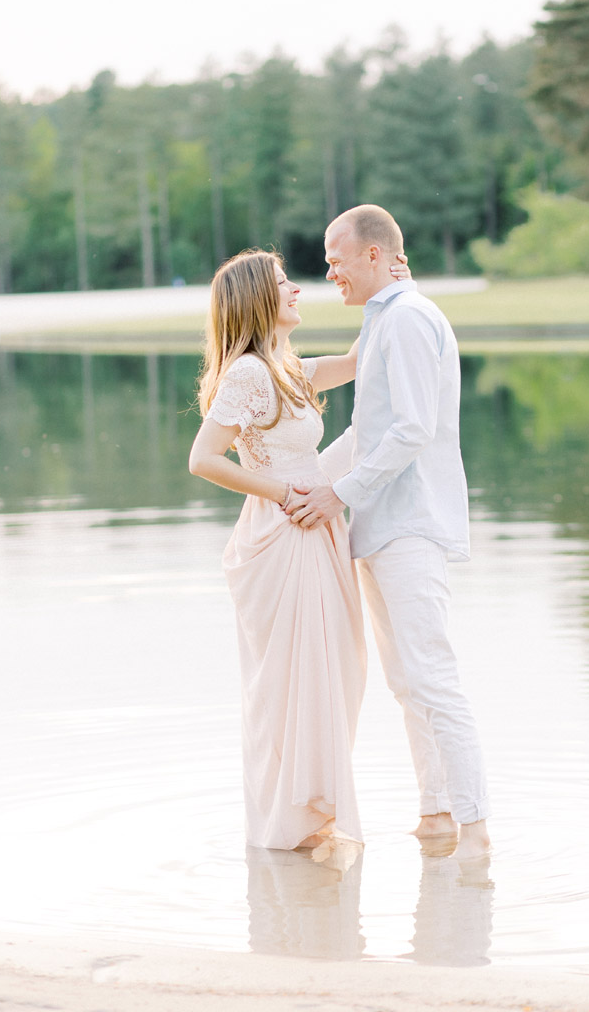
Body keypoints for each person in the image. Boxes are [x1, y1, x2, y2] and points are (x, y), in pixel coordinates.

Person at [285, 205, 491, 859]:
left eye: (335, 256)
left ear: (375, 254)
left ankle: (477, 830)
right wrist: (300, 490)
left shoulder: (405, 320)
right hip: (379, 525)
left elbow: (413, 429)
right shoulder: (382, 325)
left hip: (409, 524)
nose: (328, 270)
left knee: (431, 676)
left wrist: (335, 494)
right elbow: (365, 434)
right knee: (407, 680)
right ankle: (434, 815)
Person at [188, 248, 408, 851]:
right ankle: (294, 821)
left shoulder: (282, 368)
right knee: (293, 678)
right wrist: (285, 490)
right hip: (282, 533)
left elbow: (356, 362)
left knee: (337, 667)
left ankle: (313, 809)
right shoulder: (248, 374)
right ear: (258, 299)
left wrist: (389, 284)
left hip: (317, 527)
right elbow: (202, 459)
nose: (298, 291)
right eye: (285, 285)